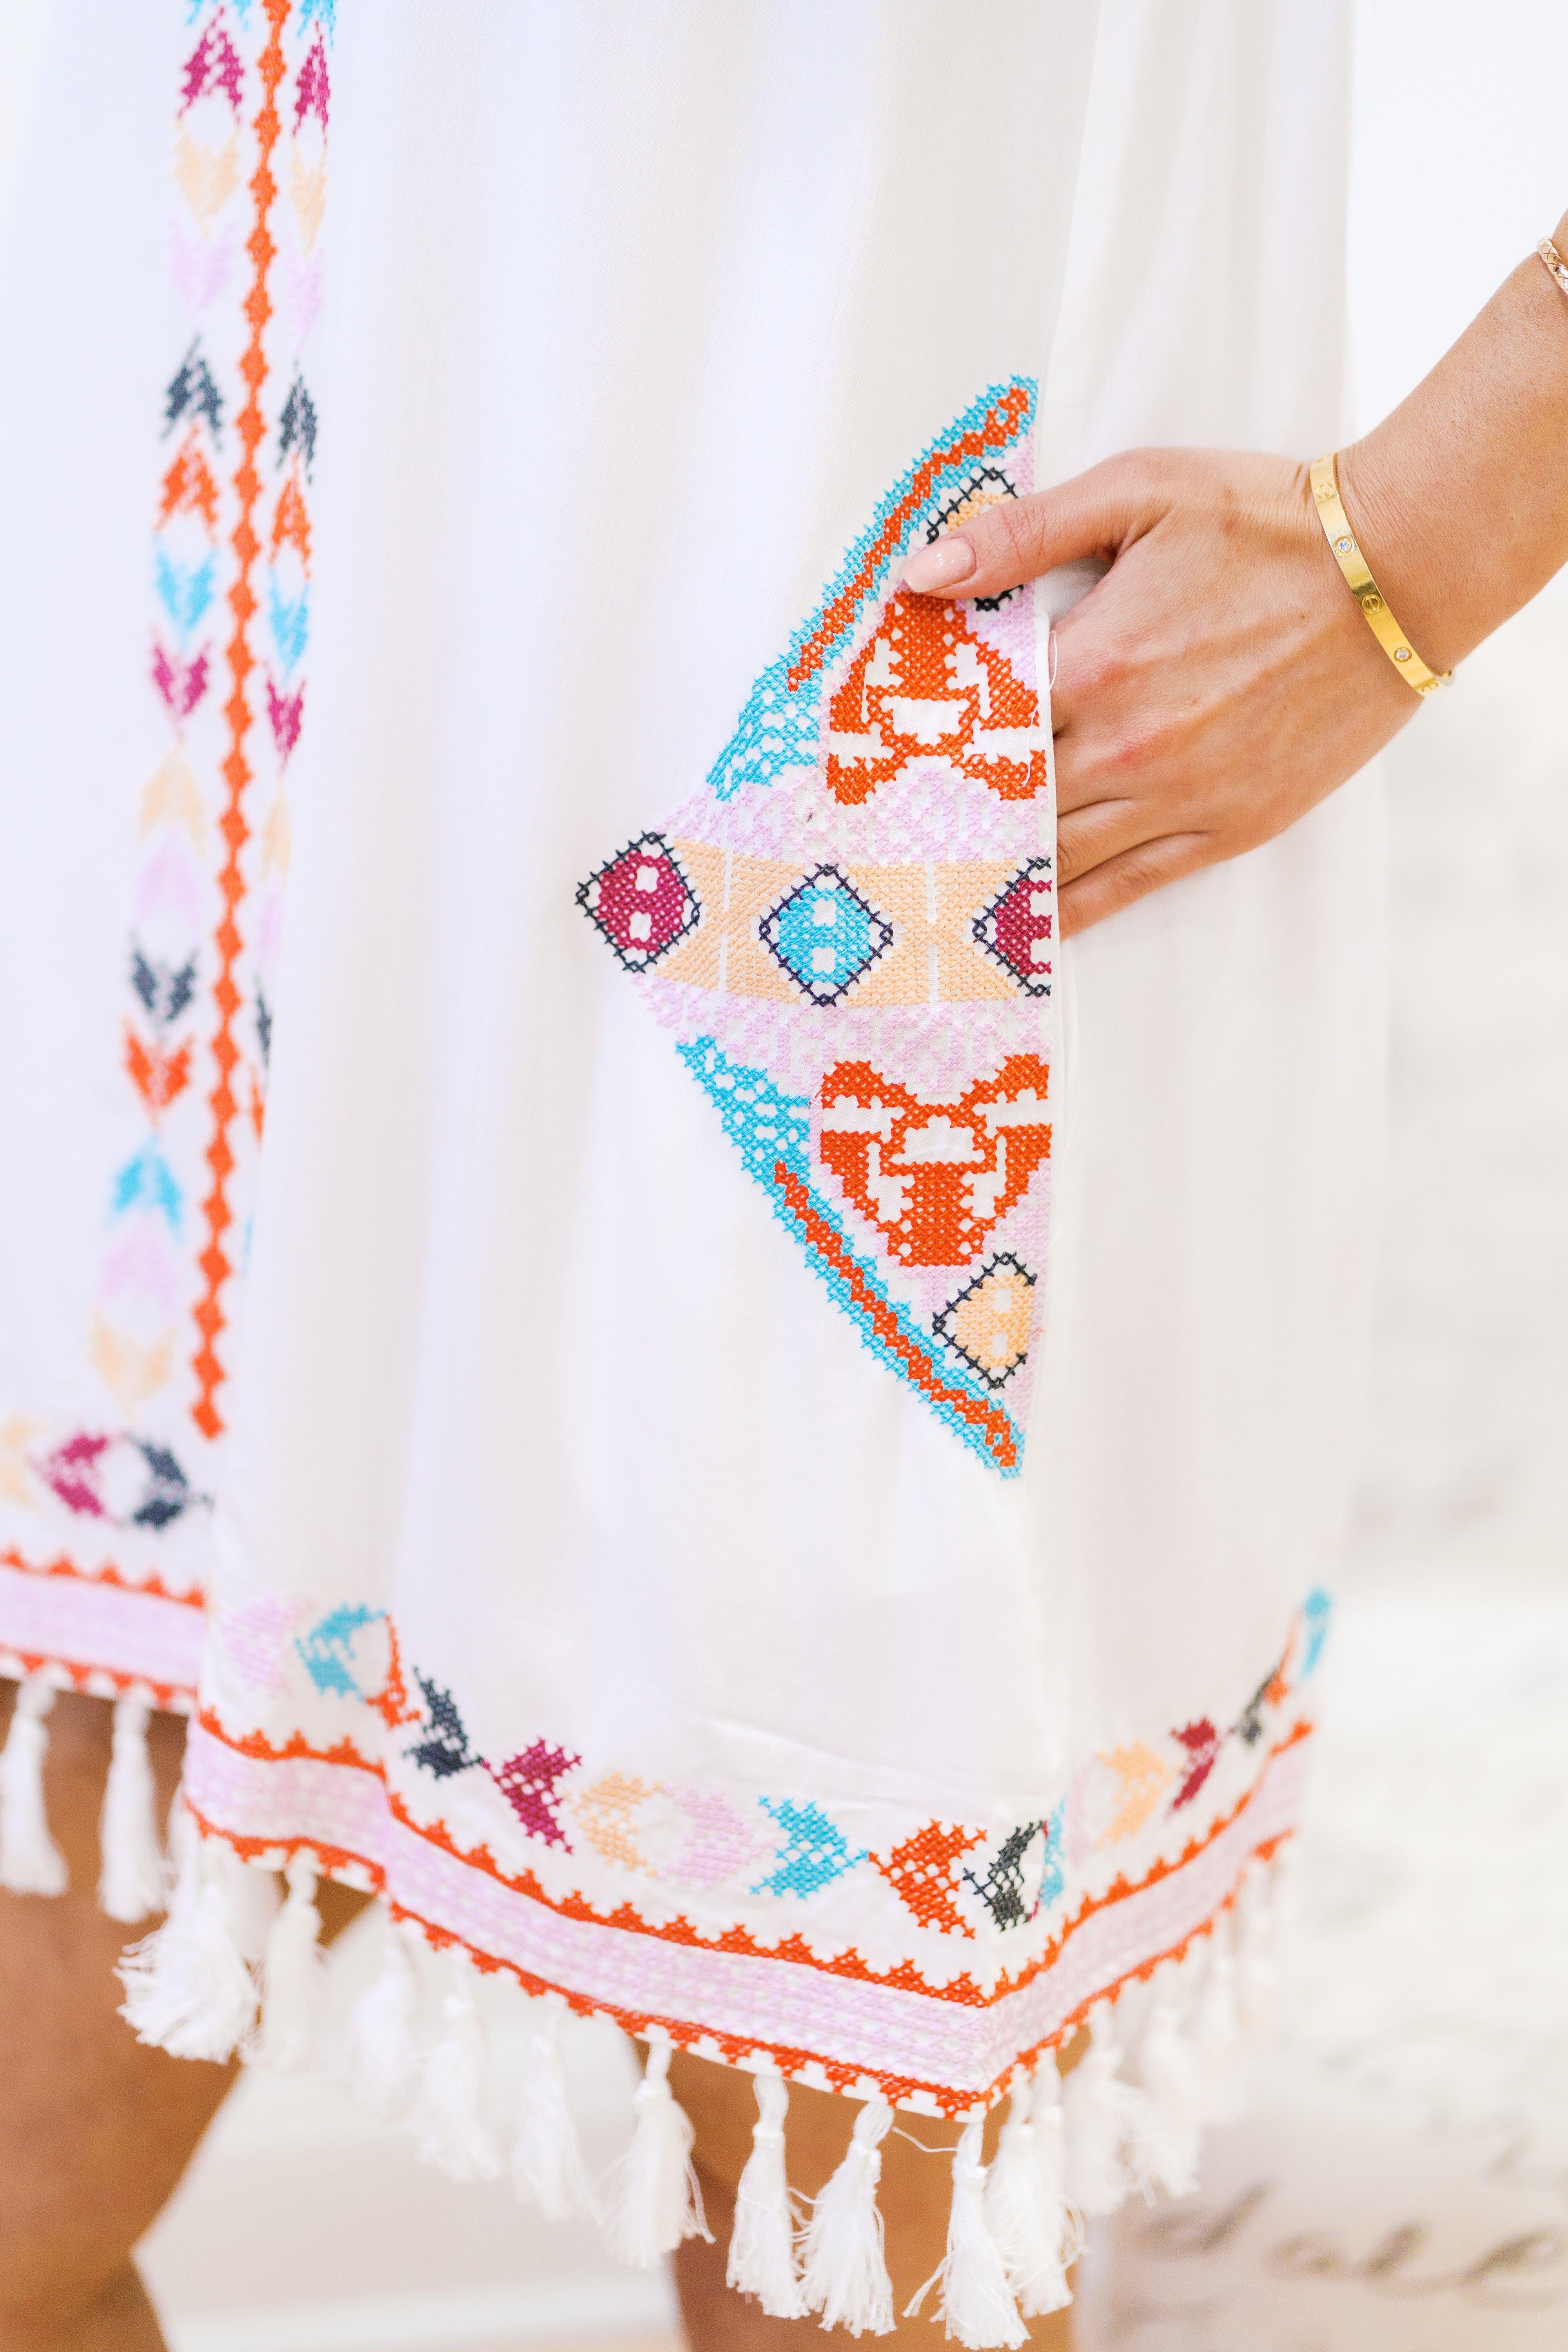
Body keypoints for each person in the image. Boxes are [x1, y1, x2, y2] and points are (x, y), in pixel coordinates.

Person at [1, 6, 1565, 2350]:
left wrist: (1438, 529)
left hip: (850, 617)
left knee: (833, 2123)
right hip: (192, 637)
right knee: (42, 2083)